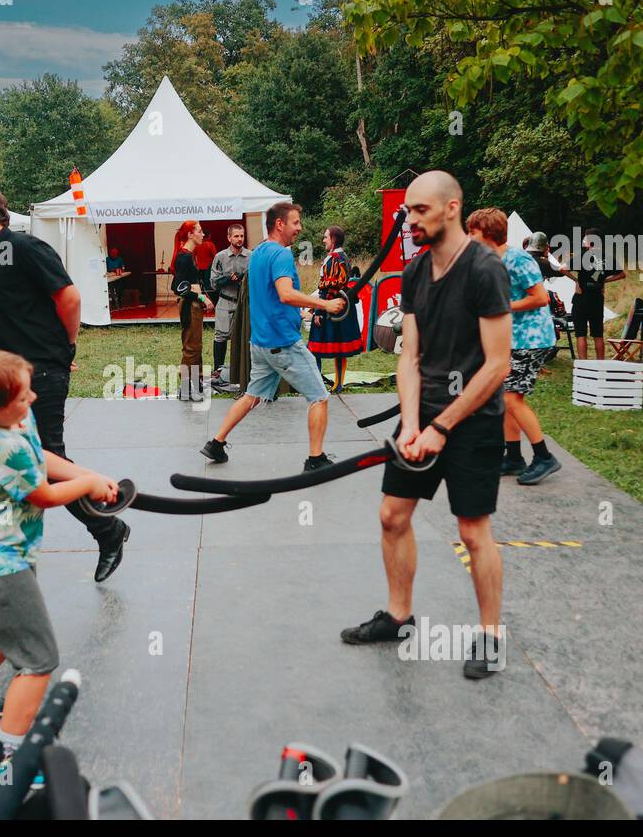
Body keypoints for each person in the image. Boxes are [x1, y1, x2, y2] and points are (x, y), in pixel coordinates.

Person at [340, 172, 512, 680]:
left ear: (451, 208)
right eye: (407, 211)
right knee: (393, 515)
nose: (409, 219)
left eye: (419, 210)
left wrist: (441, 428)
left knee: (473, 531)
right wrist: (413, 424)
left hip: (474, 419)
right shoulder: (413, 274)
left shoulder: (484, 270)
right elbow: (408, 355)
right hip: (424, 414)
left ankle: (491, 636)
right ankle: (398, 617)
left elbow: (498, 365)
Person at [0, 347, 120, 770]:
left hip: (5, 551)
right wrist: (87, 485)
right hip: (0, 561)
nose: (33, 400)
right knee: (38, 660)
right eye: (23, 397)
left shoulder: (13, 416)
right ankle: (12, 757)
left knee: (8, 631)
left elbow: (42, 457)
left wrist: (90, 476)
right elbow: (44, 494)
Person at [0, 184, 131, 584]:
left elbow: (69, 298)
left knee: (47, 462)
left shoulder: (25, 248)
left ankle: (108, 530)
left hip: (41, 375)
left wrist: (63, 350)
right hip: (0, 382)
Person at [199, 202, 345, 471]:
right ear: (280, 224)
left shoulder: (258, 253)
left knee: (251, 395)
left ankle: (216, 443)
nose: (300, 227)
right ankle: (316, 459)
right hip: (283, 343)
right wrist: (325, 305)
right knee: (320, 397)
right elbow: (285, 294)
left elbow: (270, 297)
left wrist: (300, 314)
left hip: (261, 343)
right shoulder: (280, 255)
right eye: (296, 222)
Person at [467, 208, 561, 485]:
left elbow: (541, 298)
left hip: (532, 339)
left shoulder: (518, 258)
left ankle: (544, 457)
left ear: (487, 233)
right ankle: (513, 458)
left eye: (472, 231)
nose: (468, 237)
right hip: (510, 339)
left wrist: (502, 307)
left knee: (511, 399)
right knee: (504, 398)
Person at [308, 226, 364, 393]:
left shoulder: (334, 258)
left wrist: (318, 311)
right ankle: (337, 383)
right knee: (339, 347)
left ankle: (317, 384)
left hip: (331, 307)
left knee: (313, 346)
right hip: (341, 306)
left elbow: (329, 287)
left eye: (326, 237)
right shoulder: (343, 257)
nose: (324, 240)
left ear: (333, 239)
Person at [566, 227, 625, 359]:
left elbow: (562, 269)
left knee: (581, 334)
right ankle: (601, 365)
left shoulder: (582, 256)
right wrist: (605, 281)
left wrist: (576, 280)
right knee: (598, 335)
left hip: (581, 298)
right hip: (597, 299)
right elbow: (622, 274)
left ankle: (583, 366)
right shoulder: (607, 258)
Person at [171, 221, 213, 402]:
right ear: (190, 234)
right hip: (190, 305)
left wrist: (201, 296)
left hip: (193, 304)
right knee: (191, 347)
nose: (203, 234)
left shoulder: (189, 255)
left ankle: (195, 384)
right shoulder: (184, 257)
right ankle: (186, 388)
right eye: (200, 231)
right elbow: (177, 287)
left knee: (196, 346)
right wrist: (201, 298)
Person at [209, 224, 250, 386]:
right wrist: (228, 279)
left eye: (242, 236)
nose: (239, 239)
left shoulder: (251, 256)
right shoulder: (221, 257)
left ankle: (240, 370)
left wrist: (243, 279)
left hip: (243, 301)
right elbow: (213, 282)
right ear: (229, 238)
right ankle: (217, 370)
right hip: (226, 300)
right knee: (221, 335)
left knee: (242, 336)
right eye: (236, 236)